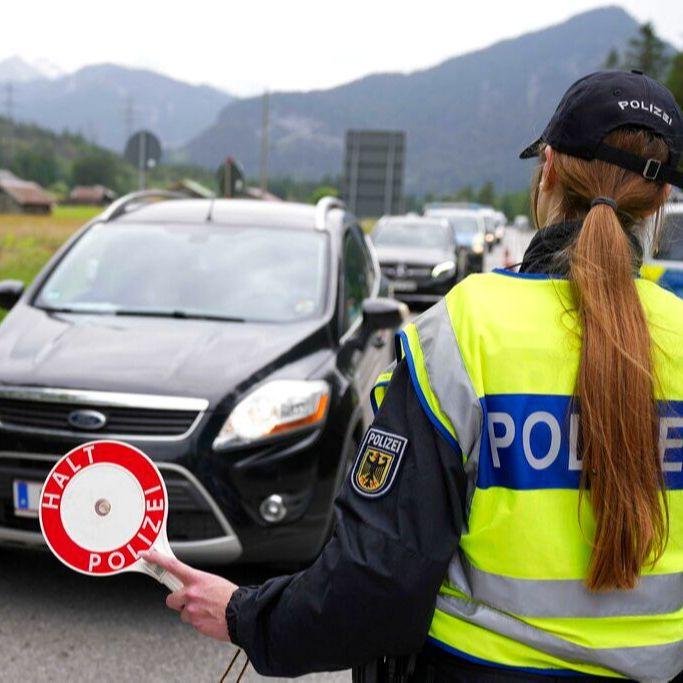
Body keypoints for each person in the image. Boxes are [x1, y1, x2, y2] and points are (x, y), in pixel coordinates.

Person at [145, 70, 683, 682]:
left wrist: (247, 615)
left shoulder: (468, 328)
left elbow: (376, 579)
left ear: (549, 170)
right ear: (660, 198)